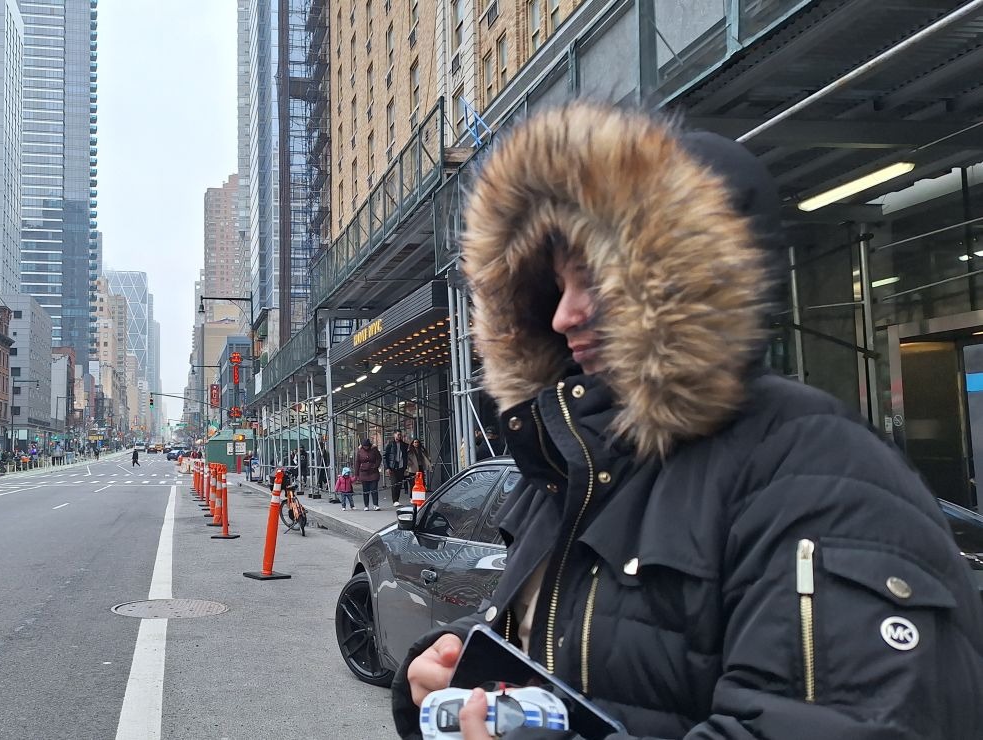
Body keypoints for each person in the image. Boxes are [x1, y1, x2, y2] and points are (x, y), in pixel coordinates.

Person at [393, 102, 983, 738]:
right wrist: (446, 667)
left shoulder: (820, 473)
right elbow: (584, 644)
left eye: (595, 276)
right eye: (556, 287)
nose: (565, 316)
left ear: (685, 279)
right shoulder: (578, 465)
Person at [352, 438, 381, 511]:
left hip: (373, 472)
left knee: (374, 489)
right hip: (363, 473)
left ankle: (375, 504)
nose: (366, 447)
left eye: (367, 446)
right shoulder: (360, 451)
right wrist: (356, 474)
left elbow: (379, 458)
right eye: (364, 446)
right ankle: (366, 505)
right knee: (365, 490)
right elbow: (357, 462)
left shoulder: (374, 449)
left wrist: (376, 466)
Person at [383, 431, 410, 507]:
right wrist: (387, 467)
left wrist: (405, 466)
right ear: (394, 435)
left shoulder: (403, 445)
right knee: (394, 483)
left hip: (401, 466)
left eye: (400, 435)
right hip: (393, 467)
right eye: (398, 435)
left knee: (399, 484)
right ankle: (394, 500)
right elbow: (385, 456)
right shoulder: (390, 444)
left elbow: (407, 454)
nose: (399, 436)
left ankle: (397, 500)